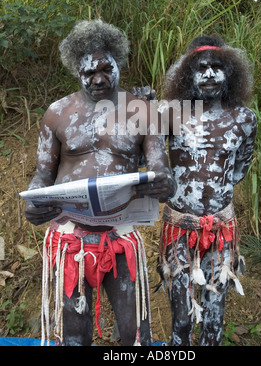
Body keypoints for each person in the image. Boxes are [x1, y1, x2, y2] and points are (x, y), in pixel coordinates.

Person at [24, 19, 176, 346]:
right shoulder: (57, 112)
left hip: (120, 236)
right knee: (74, 338)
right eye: (88, 73)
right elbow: (42, 174)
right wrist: (33, 202)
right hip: (70, 239)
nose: (98, 78)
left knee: (136, 337)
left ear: (119, 65)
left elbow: (162, 168)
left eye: (106, 69)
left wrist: (166, 185)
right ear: (76, 73)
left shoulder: (143, 111)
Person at [157, 35, 257, 346]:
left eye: (217, 67)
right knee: (182, 318)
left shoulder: (244, 119)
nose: (210, 74)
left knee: (214, 314)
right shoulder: (170, 114)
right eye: (202, 68)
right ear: (188, 74)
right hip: (178, 229)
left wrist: (215, 196)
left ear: (231, 73)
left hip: (221, 229)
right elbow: (149, 156)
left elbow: (240, 167)